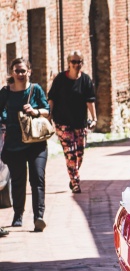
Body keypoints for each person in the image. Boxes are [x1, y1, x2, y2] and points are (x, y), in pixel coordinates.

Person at [0, 58, 51, 233]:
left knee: (37, 178)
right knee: (18, 180)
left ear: (29, 71)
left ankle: (39, 217)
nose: (20, 74)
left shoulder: (35, 89)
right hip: (14, 143)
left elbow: (47, 110)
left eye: (23, 71)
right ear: (12, 72)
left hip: (36, 142)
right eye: (17, 71)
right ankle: (18, 215)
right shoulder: (6, 92)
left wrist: (35, 111)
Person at [48, 50, 97, 194]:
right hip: (62, 122)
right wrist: (49, 116)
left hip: (80, 123)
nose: (76, 65)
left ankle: (73, 175)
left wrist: (94, 118)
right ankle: (75, 183)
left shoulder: (85, 80)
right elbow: (52, 98)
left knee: (79, 154)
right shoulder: (60, 80)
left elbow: (90, 101)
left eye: (79, 62)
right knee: (70, 153)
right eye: (73, 62)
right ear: (68, 63)